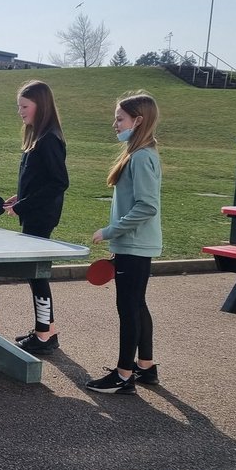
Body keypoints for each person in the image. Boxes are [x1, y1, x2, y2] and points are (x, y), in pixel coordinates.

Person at [86, 91, 163, 395]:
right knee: (137, 304)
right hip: (133, 245)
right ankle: (145, 366)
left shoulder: (142, 157)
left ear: (138, 120)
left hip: (133, 245)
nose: (115, 124)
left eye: (120, 119)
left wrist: (110, 231)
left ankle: (123, 375)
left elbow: (147, 206)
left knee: (128, 307)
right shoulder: (140, 154)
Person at [4, 80, 69, 355]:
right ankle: (47, 330)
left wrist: (24, 205)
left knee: (37, 274)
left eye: (24, 106)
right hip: (34, 212)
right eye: (19, 106)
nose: (20, 111)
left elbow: (58, 182)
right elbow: (38, 180)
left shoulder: (49, 139)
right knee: (35, 274)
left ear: (40, 106)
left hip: (41, 217)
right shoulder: (38, 137)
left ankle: (44, 334)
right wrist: (19, 198)